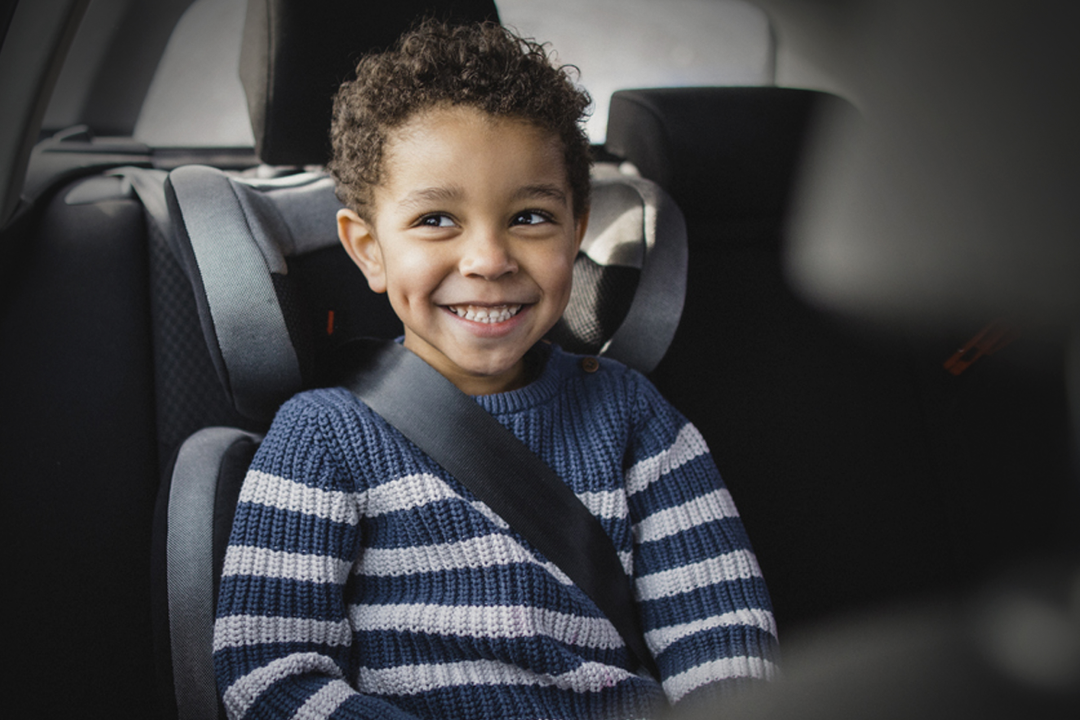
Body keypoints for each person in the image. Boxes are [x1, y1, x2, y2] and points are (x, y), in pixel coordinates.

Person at [212, 19, 777, 720]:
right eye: (436, 221)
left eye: (531, 217)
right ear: (368, 250)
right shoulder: (322, 437)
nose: (488, 259)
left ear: (576, 230)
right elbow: (269, 674)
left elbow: (723, 639)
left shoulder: (636, 419)